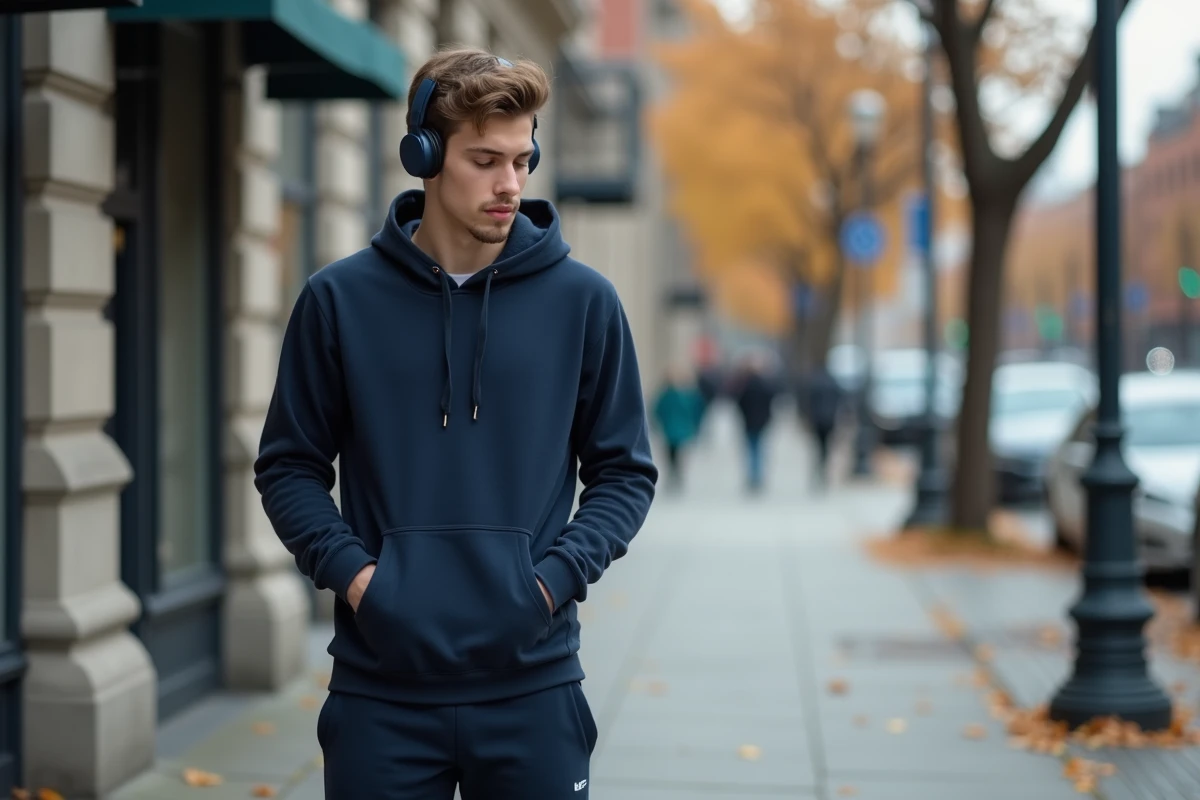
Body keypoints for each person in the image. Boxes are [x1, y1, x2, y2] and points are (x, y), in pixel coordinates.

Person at [254, 47, 657, 800]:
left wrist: (549, 584)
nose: (510, 185)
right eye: (485, 160)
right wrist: (360, 580)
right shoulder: (338, 301)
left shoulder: (584, 302)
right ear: (425, 155)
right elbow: (288, 466)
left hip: (534, 687)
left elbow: (624, 473)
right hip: (380, 694)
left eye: (522, 160)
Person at [731, 350, 778, 493]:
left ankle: (753, 476)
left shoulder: (744, 385)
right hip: (761, 421)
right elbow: (771, 400)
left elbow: (739, 402)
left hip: (749, 421)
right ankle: (757, 475)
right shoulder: (765, 383)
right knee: (759, 449)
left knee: (752, 449)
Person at [652, 366, 704, 490]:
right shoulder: (686, 395)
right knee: (678, 453)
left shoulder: (666, 395)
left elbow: (657, 411)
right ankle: (677, 473)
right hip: (680, 428)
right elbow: (695, 410)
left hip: (670, 429)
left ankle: (673, 473)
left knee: (671, 453)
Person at [803, 364, 845, 488]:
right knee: (826, 447)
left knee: (818, 447)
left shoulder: (815, 384)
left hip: (817, 420)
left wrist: (808, 419)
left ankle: (818, 469)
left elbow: (809, 402)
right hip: (830, 420)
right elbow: (840, 400)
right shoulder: (833, 384)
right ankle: (823, 469)